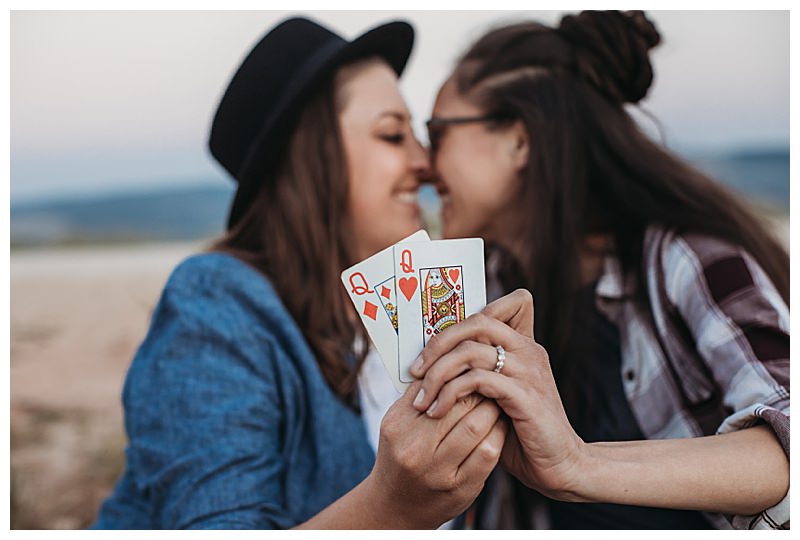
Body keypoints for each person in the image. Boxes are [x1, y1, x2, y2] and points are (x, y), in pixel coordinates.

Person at [91, 17, 506, 529]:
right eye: (393, 134)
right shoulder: (215, 303)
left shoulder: (398, 314)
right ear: (312, 157)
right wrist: (392, 508)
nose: (424, 161)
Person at [410, 10, 789, 529]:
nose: (426, 166)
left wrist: (576, 464)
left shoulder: (684, 260)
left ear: (519, 140)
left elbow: (789, 433)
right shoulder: (486, 288)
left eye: (437, 134)